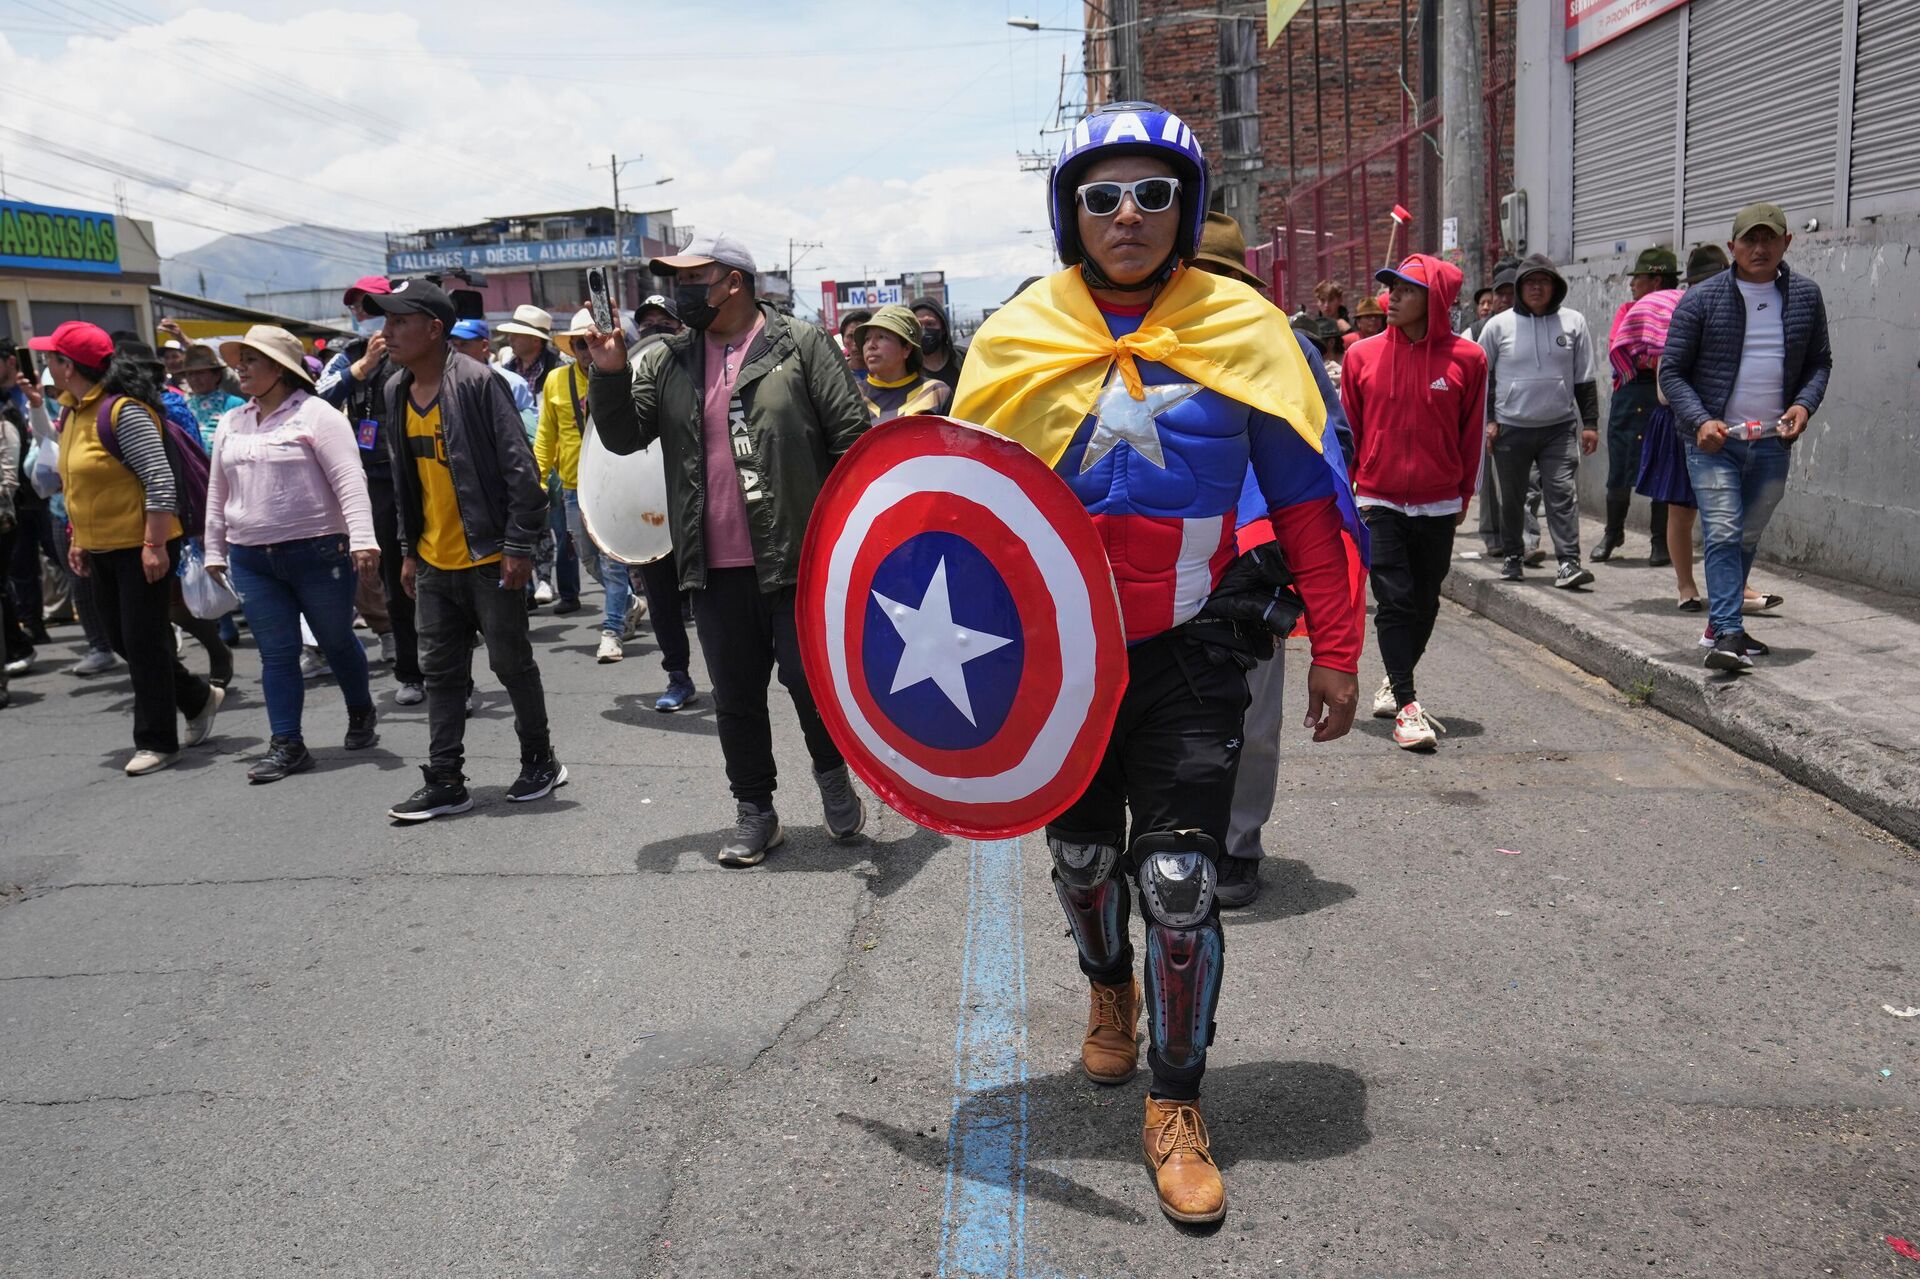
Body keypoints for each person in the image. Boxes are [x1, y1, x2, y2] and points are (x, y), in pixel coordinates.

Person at [953, 103, 1364, 1224]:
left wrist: (1339, 644)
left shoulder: (1242, 328)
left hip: (1192, 640)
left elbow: (1304, 498)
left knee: (1178, 884)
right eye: (1099, 196)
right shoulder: (1014, 336)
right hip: (1059, 655)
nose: (1125, 216)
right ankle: (1106, 993)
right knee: (1086, 857)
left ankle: (1177, 1104)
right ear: (1068, 213)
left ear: (1185, 208)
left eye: (1150, 194)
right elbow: (960, 515)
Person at [584, 232, 869, 866]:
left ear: (733, 281)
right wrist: (608, 373)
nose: (680, 293)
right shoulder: (667, 359)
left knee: (809, 683)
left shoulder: (799, 344)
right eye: (676, 282)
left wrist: (857, 544)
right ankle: (755, 811)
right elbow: (626, 438)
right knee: (736, 697)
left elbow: (852, 439)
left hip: (800, 558)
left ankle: (831, 777)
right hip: (712, 565)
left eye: (692, 280)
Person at [1190, 210, 1354, 908]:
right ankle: (1176, 836)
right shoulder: (1140, 343)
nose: (1208, 291)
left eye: (1221, 278)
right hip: (1163, 554)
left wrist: (1336, 644)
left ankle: (1238, 844)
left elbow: (1330, 444)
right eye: (1196, 277)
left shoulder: (1285, 347)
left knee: (1252, 716)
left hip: (1256, 558)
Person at [360, 279, 564, 818]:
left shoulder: (477, 382)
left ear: (434, 328)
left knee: (510, 663)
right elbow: (406, 484)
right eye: (386, 321)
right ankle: (446, 779)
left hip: (489, 557)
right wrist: (408, 550)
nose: (388, 332)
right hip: (431, 562)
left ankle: (540, 760)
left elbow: (522, 473)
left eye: (400, 321)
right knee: (442, 674)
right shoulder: (394, 390)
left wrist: (518, 546)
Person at [34, 321, 222, 773]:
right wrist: (78, 536)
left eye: (52, 357)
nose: (47, 364)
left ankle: (157, 740)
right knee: (125, 640)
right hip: (100, 547)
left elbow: (158, 478)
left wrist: (154, 543)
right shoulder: (72, 411)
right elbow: (77, 482)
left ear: (69, 365)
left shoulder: (123, 411)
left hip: (142, 545)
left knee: (143, 642)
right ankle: (197, 697)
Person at [202, 326, 379, 782]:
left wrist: (362, 540)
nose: (239, 368)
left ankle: (360, 711)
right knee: (276, 653)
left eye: (250, 360)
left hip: (319, 551)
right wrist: (213, 548)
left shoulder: (319, 416)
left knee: (335, 638)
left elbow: (349, 480)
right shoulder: (232, 421)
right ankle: (288, 743)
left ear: (280, 369)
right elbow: (217, 489)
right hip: (251, 559)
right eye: (238, 360)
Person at [1661, 202, 1830, 672]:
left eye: (1769, 239)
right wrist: (1700, 422)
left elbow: (1820, 362)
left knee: (1747, 534)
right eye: (1749, 240)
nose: (1760, 248)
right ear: (1732, 246)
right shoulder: (1701, 299)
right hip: (1715, 442)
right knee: (1722, 529)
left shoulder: (1805, 297)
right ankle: (1730, 633)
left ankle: (1720, 623)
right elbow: (1673, 372)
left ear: (1787, 243)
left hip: (1773, 441)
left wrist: (1804, 405)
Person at [1342, 255, 1487, 751]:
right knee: (1395, 600)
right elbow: (1351, 432)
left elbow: (1471, 436)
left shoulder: (1468, 359)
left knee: (1424, 602)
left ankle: (1393, 675)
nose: (1391, 300)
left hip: (1439, 501)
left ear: (1436, 300)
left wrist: (1465, 492)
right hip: (1378, 496)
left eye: (1405, 291)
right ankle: (1407, 704)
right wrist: (1349, 489)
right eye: (1390, 290)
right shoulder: (1361, 356)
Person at [1622, 245, 1779, 617]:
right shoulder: (1681, 318)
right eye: (1703, 283)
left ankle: (1737, 588)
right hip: (1683, 425)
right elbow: (1666, 386)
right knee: (1683, 511)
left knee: (1732, 515)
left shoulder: (1743, 315)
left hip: (1733, 427)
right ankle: (1686, 585)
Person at [317, 275, 423, 701]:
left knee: (437, 577)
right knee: (395, 577)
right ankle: (409, 672)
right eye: (357, 307)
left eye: (368, 305)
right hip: (376, 479)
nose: (362, 315)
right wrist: (359, 371)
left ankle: (453, 667)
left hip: (423, 474)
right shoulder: (350, 356)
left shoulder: (420, 349)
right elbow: (313, 400)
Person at [1480, 254, 1599, 588]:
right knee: (1514, 498)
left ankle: (1568, 562)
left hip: (1558, 428)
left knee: (1562, 494)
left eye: (1543, 282)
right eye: (1529, 282)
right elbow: (1481, 376)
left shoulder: (1573, 322)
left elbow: (1585, 377)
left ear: (1555, 287)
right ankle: (1513, 555)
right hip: (1510, 428)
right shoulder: (1498, 325)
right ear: (1519, 288)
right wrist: (1488, 421)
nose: (1536, 288)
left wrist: (1589, 423)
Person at [535, 308, 641, 663]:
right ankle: (627, 601)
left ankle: (611, 631)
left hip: (612, 485)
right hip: (571, 487)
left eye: (590, 341)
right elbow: (546, 436)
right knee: (587, 558)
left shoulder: (618, 374)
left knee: (611, 564)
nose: (585, 349)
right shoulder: (555, 382)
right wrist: (537, 478)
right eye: (579, 343)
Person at [621, 294, 699, 712]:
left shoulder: (699, 369)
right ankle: (678, 676)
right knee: (664, 603)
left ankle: (733, 676)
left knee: (712, 602)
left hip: (697, 505)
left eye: (664, 321)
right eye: (647, 322)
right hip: (651, 508)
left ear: (680, 325)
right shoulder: (629, 374)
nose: (655, 328)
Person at [1593, 247, 1680, 565]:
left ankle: (1660, 542)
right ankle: (1613, 532)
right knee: (1620, 468)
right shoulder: (1628, 310)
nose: (1632, 284)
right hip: (1629, 395)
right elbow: (1622, 346)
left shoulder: (1678, 307)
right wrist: (1653, 355)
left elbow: (1676, 348)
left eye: (1638, 278)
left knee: (1662, 465)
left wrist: (1651, 355)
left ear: (1655, 280)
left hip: (1662, 394)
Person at [855, 304, 953, 422]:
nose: (871, 345)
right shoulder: (854, 396)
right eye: (867, 339)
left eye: (881, 337)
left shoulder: (935, 392)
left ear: (907, 348)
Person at [179, 345, 245, 452]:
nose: (194, 379)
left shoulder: (235, 404)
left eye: (200, 373)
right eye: (190, 374)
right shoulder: (184, 406)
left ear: (217, 375)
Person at [497, 305, 563, 394]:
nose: (510, 339)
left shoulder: (558, 370)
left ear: (536, 340)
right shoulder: (507, 369)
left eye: (516, 334)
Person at [910, 297, 966, 391]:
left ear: (943, 328)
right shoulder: (905, 368)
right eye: (918, 325)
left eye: (930, 324)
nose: (923, 331)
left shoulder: (964, 359)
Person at [836, 307, 872, 374]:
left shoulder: (889, 372)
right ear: (843, 340)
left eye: (862, 336)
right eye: (851, 336)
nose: (856, 342)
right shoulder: (833, 374)